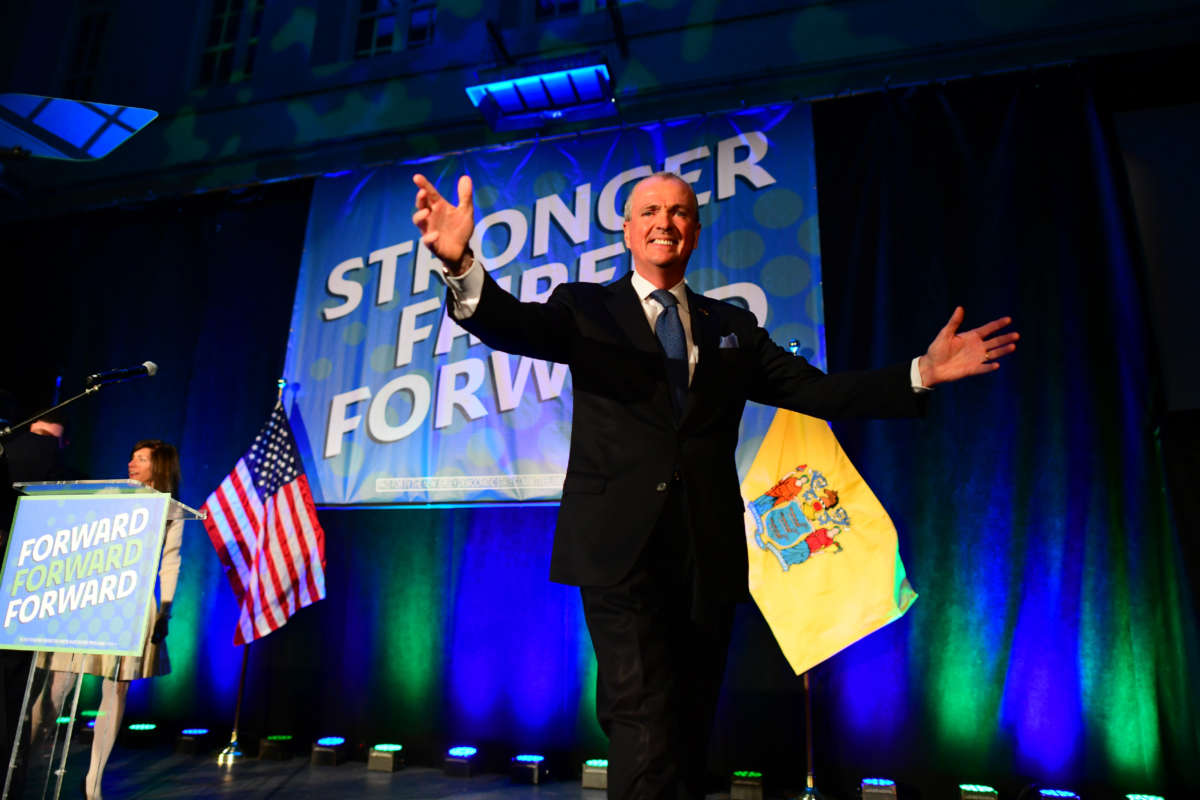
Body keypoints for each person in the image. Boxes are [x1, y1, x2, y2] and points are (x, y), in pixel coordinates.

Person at [412, 171, 1018, 799]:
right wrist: (459, 264)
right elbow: (512, 324)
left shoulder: (732, 327)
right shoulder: (584, 308)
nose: (663, 222)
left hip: (708, 557)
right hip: (619, 557)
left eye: (678, 212)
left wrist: (919, 372)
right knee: (642, 721)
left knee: (687, 730)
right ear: (626, 229)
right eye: (649, 210)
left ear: (696, 232)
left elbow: (817, 390)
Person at [35, 440, 182, 800]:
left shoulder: (172, 509)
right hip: (95, 593)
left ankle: (94, 778)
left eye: (142, 459)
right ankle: (30, 746)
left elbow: (172, 560)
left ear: (159, 467)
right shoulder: (109, 493)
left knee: (117, 687)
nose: (132, 463)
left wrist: (165, 609)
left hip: (134, 602)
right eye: (132, 457)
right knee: (58, 683)